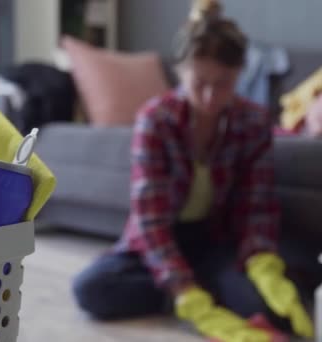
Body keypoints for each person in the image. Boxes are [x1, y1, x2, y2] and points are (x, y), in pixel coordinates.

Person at [72, 1, 320, 341]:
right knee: (92, 290)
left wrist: (261, 262)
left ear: (240, 74)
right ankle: (191, 291)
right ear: (180, 72)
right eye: (200, 82)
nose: (210, 96)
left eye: (224, 83)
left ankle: (205, 286)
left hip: (217, 241)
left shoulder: (252, 121)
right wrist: (183, 286)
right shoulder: (156, 120)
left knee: (271, 307)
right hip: (163, 239)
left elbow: (256, 206)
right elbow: (150, 222)